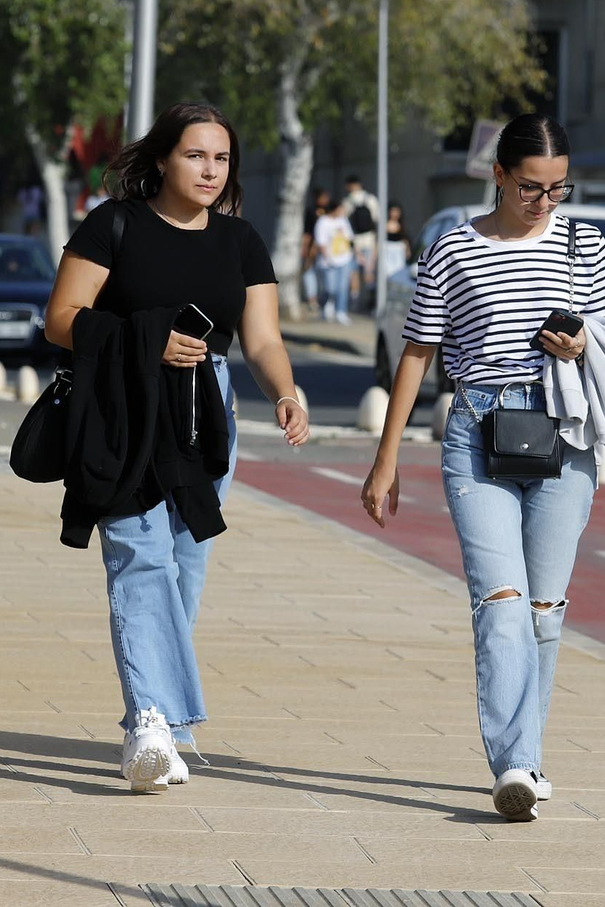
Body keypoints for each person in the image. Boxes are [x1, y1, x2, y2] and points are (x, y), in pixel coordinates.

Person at [361, 113, 605, 822]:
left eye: (558, 189)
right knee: (502, 605)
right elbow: (416, 352)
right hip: (476, 434)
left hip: (564, 438)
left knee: (544, 611)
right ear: (499, 176)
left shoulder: (584, 243)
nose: (545, 203)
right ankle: (513, 761)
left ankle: (527, 754)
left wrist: (580, 347)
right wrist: (385, 460)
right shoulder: (451, 250)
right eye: (531, 188)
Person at [43, 102, 310, 791]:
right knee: (141, 558)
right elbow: (61, 319)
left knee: (185, 567)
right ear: (163, 158)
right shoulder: (115, 225)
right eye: (195, 155)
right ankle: (153, 723)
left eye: (221, 158)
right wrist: (144, 338)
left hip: (206, 414)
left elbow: (261, 338)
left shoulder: (241, 241)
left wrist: (284, 388)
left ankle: (160, 719)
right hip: (125, 407)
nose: (210, 170)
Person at [313, 197, 356, 323]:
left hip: (345, 258)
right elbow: (321, 242)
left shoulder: (343, 221)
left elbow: (349, 238)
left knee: (342, 287)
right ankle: (327, 304)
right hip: (329, 260)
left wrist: (357, 254)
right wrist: (327, 257)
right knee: (330, 287)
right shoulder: (323, 222)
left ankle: (341, 311)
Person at [343, 175, 380, 311]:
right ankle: (371, 303)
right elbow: (377, 221)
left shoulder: (347, 202)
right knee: (369, 274)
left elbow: (343, 224)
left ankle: (355, 304)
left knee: (354, 275)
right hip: (369, 241)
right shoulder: (370, 199)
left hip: (354, 243)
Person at [300, 187, 332, 316]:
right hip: (313, 246)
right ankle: (312, 299)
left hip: (328, 247)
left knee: (324, 275)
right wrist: (305, 248)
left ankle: (324, 299)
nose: (326, 200)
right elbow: (307, 233)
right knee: (309, 272)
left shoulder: (330, 210)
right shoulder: (311, 211)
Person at [381, 203, 412, 283]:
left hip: (399, 252)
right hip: (388, 251)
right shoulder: (384, 225)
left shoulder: (401, 225)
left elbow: (405, 239)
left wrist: (407, 250)